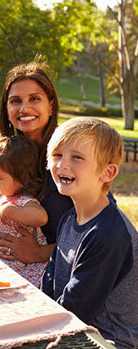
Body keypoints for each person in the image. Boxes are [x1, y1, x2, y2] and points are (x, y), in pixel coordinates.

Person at [42, 117, 138, 349]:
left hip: (106, 341)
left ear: (107, 172)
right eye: (57, 155)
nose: (63, 165)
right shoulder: (68, 219)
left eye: (77, 157)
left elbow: (77, 308)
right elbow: (48, 282)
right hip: (71, 327)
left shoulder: (108, 234)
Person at [0, 61, 74, 263]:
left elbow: (97, 232)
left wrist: (39, 253)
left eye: (34, 99)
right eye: (15, 101)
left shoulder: (71, 153)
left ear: (51, 104)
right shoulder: (9, 154)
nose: (24, 108)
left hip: (71, 274)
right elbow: (16, 202)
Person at [0, 135, 48, 286]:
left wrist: (10, 211)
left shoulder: (25, 201)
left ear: (21, 179)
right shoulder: (6, 196)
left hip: (15, 266)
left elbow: (41, 217)